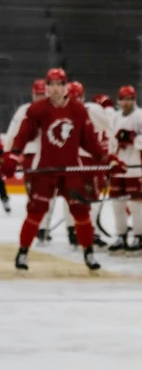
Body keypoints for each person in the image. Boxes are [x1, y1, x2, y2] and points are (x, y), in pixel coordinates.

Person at [0, 68, 125, 271]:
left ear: (66, 87)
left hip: (71, 170)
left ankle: (88, 252)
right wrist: (13, 155)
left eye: (59, 84)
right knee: (36, 212)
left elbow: (90, 141)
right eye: (51, 84)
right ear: (46, 87)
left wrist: (107, 158)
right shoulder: (37, 109)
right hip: (46, 169)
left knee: (81, 212)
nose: (55, 89)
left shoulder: (78, 110)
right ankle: (23, 252)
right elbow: (23, 134)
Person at [107, 85, 142, 253]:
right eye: (123, 99)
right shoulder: (115, 117)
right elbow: (112, 142)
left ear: (134, 99)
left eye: (130, 98)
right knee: (117, 205)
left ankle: (138, 236)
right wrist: (110, 161)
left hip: (137, 168)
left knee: (136, 206)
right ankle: (121, 235)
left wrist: (132, 138)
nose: (126, 102)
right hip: (118, 167)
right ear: (119, 100)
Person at [65, 81, 115, 247]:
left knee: (73, 197)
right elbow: (110, 124)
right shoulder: (91, 109)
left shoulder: (59, 111)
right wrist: (107, 106)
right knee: (91, 197)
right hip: (89, 160)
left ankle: (74, 230)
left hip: (70, 160)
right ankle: (90, 232)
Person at [2, 78, 48, 221]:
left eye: (42, 94)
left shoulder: (55, 110)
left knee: (48, 194)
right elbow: (12, 134)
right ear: (33, 94)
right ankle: (40, 226)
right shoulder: (24, 110)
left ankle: (48, 226)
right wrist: (7, 155)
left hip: (50, 157)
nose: (40, 97)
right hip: (30, 157)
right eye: (38, 94)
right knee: (35, 194)